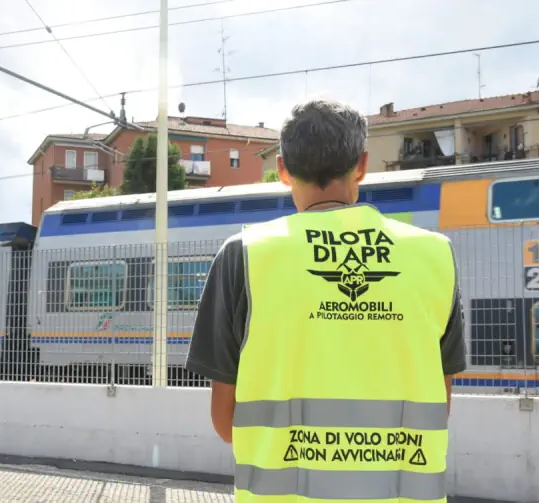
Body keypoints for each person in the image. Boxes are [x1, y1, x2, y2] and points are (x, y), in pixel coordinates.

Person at [185, 99, 466, 503]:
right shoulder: (435, 254)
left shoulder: (242, 256)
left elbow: (226, 421)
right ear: (362, 164)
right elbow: (439, 406)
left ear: (281, 169)